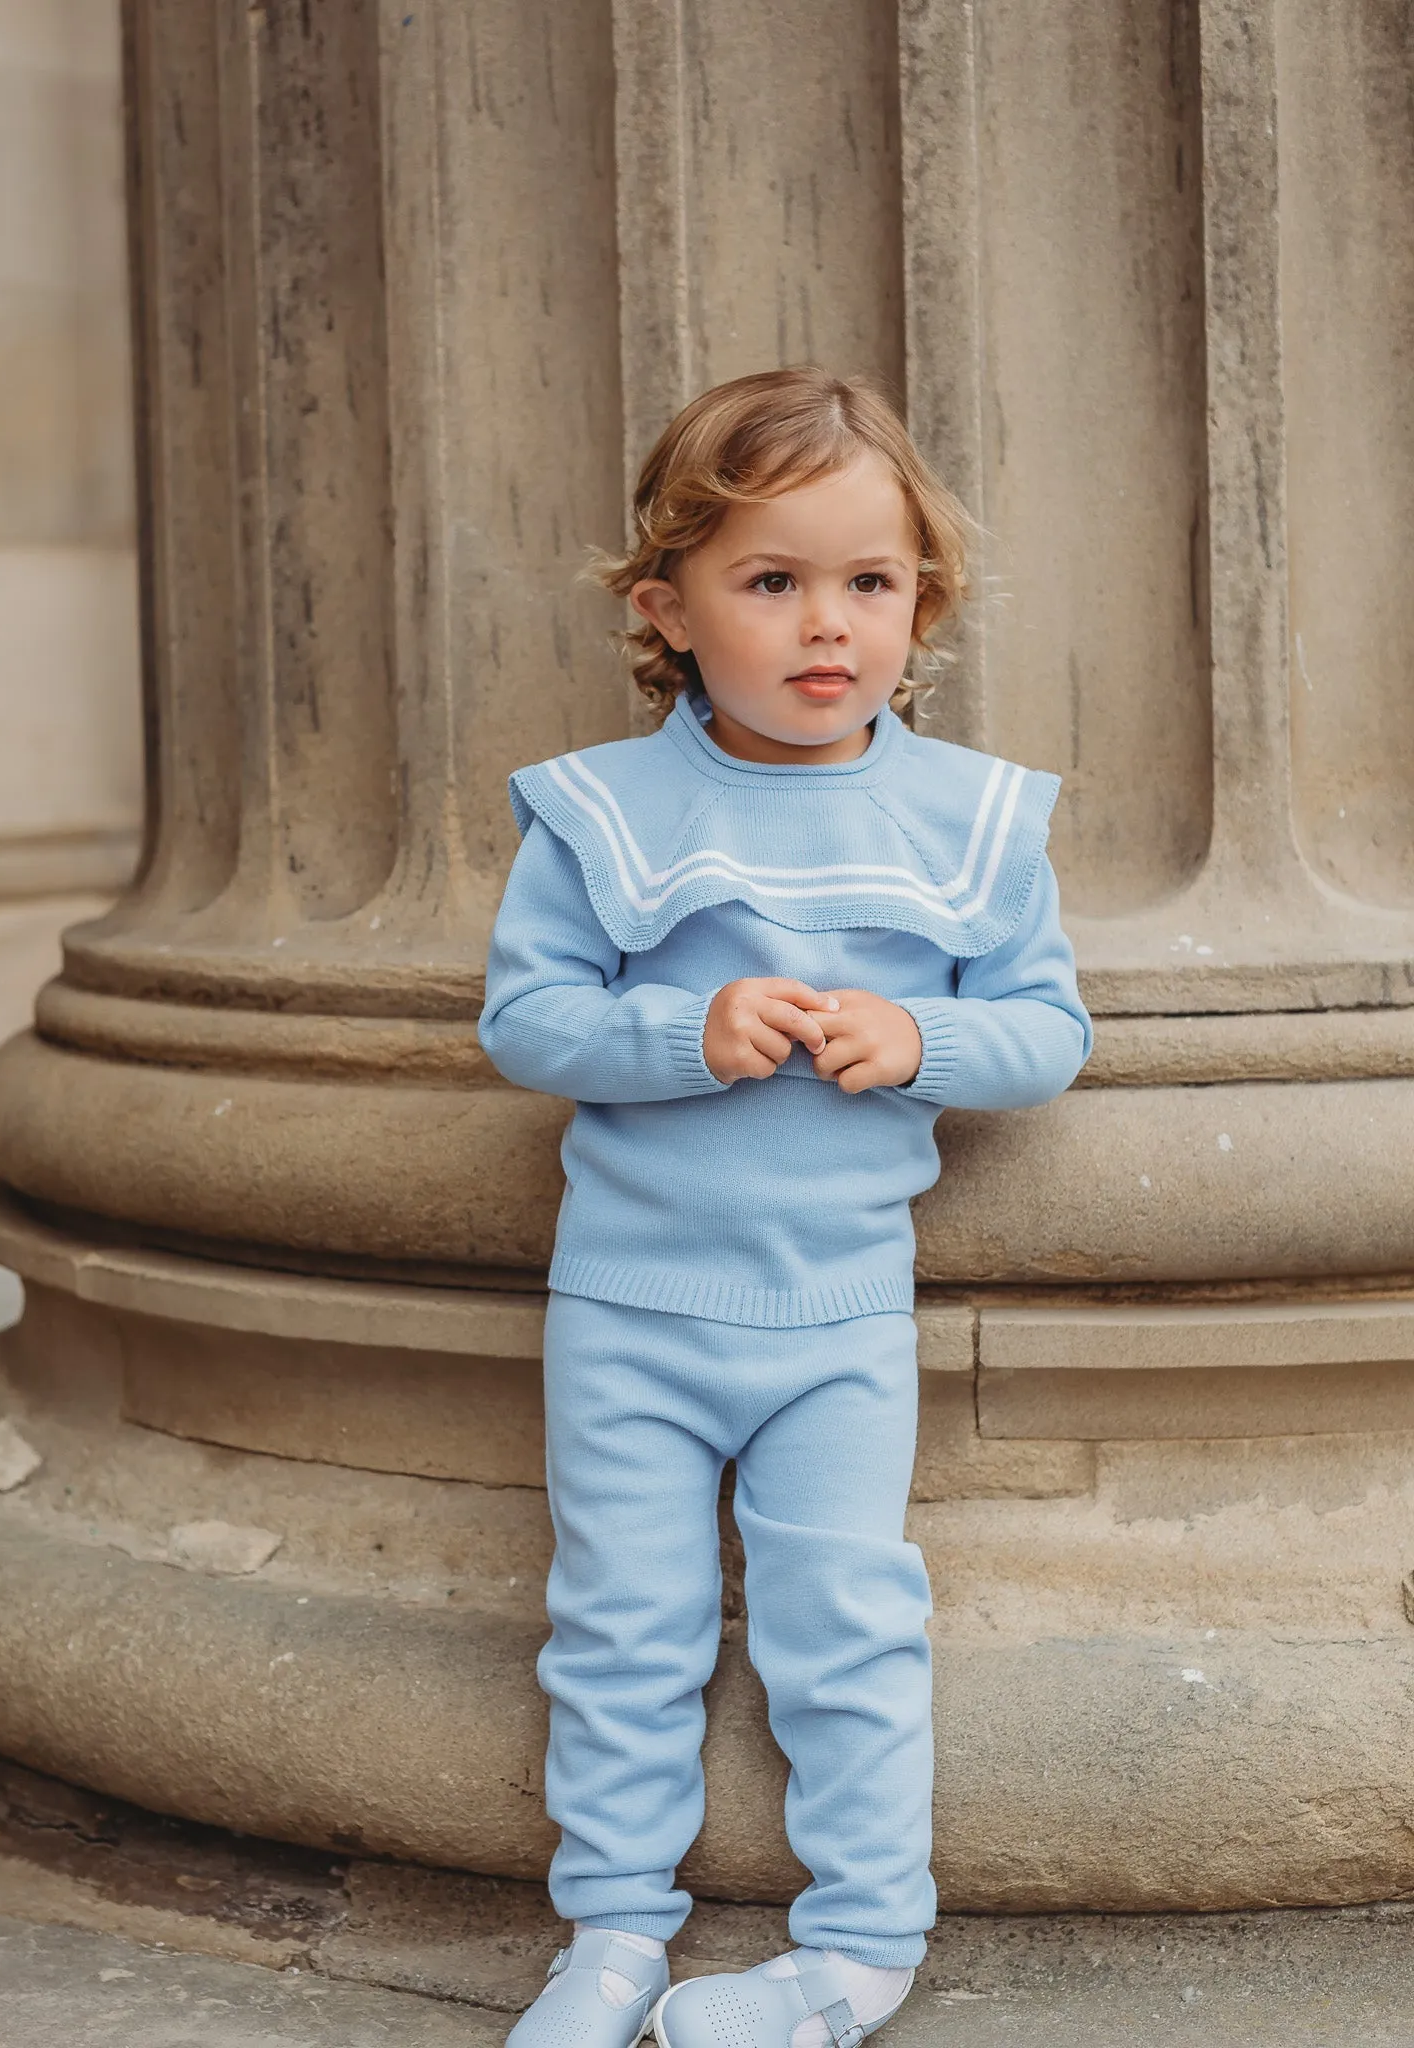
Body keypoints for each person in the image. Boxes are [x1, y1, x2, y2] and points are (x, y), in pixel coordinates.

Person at [479, 367, 1092, 2048]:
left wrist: (922, 1039)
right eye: (772, 581)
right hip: (629, 1305)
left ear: (922, 604)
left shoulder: (971, 821)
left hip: (835, 1314)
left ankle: (860, 1948)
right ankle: (610, 1934)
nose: (829, 625)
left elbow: (1049, 1030)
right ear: (667, 608)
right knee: (620, 1622)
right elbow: (526, 1020)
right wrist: (682, 1033)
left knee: (845, 1624)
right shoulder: (605, 810)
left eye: (869, 583)